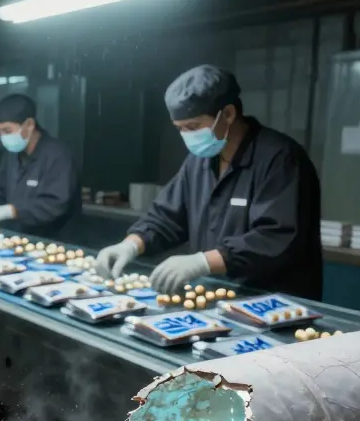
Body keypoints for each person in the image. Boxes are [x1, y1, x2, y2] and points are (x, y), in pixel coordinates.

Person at [94, 65, 323, 298]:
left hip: (274, 303)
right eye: (180, 129)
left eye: (193, 127)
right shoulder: (199, 161)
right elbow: (166, 217)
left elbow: (274, 238)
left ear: (229, 114)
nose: (187, 136)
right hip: (220, 298)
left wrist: (204, 262)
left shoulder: (280, 159)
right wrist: (132, 244)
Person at [0, 94, 80, 237]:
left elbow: (54, 204)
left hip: (56, 240)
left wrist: (11, 211)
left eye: (7, 131)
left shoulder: (57, 156)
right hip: (19, 236)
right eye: (0, 132)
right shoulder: (12, 154)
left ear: (29, 125)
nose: (3, 137)